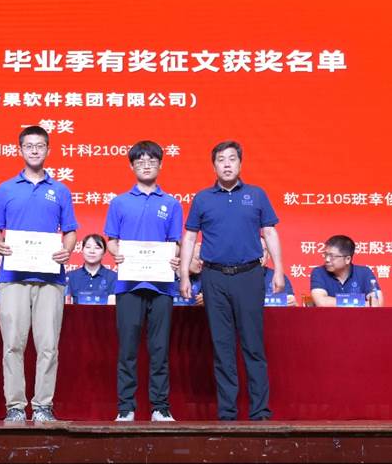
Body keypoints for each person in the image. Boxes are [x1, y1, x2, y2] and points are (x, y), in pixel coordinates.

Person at [179, 141, 283, 421]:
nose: (227, 164)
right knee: (222, 346)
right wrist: (185, 275)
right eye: (221, 160)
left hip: (249, 276)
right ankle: (227, 414)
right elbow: (190, 237)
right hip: (214, 277)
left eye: (232, 159)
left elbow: (270, 233)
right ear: (213, 166)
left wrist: (279, 269)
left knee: (253, 345)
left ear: (240, 163)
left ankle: (260, 412)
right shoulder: (202, 198)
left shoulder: (256, 194)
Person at [0, 125, 78, 423]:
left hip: (51, 279)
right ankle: (15, 406)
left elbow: (70, 231)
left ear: (48, 150)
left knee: (48, 346)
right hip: (13, 278)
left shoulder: (60, 190)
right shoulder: (6, 188)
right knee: (13, 345)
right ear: (20, 150)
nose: (35, 150)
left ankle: (43, 406)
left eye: (40, 145)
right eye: (29, 146)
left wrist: (67, 249)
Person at [105, 141, 183, 422]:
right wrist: (116, 253)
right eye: (140, 161)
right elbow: (111, 241)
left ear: (160, 165)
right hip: (129, 285)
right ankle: (126, 408)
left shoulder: (171, 204)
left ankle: (160, 407)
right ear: (132, 166)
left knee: (159, 349)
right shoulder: (119, 202)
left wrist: (175, 258)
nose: (146, 165)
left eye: (152, 161)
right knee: (127, 349)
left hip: (162, 285)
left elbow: (175, 243)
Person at [309, 235, 383, 307]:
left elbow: (377, 303)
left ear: (347, 259)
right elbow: (322, 302)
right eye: (325, 254)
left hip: (359, 316)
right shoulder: (319, 272)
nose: (327, 259)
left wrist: (341, 302)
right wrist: (362, 303)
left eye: (332, 256)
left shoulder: (364, 272)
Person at [65, 234, 117, 305]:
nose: (92, 251)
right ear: (82, 250)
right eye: (88, 247)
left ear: (104, 252)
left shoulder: (113, 277)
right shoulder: (71, 276)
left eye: (97, 248)